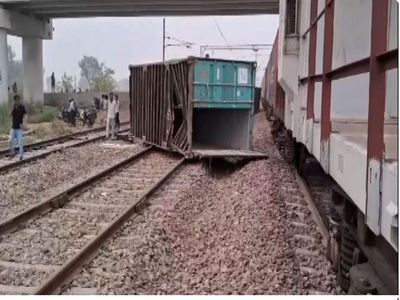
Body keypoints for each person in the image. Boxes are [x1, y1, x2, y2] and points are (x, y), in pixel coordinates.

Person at [9, 94, 26, 160]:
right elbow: (9, 115)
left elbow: (25, 116)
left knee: (20, 142)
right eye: (15, 100)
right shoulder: (13, 107)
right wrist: (12, 108)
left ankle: (21, 155)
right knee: (10, 140)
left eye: (17, 100)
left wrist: (24, 124)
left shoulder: (22, 107)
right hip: (13, 127)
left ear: (19, 100)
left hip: (19, 128)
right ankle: (12, 152)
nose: (16, 101)